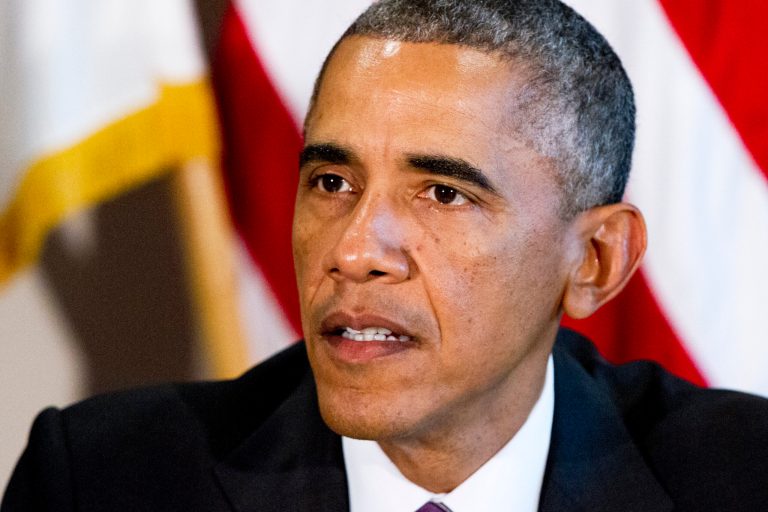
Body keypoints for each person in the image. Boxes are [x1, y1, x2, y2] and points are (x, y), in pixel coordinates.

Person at [3, 1, 767, 511]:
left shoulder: (742, 477)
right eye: (332, 181)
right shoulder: (103, 482)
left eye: (443, 194)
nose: (355, 250)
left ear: (597, 259)